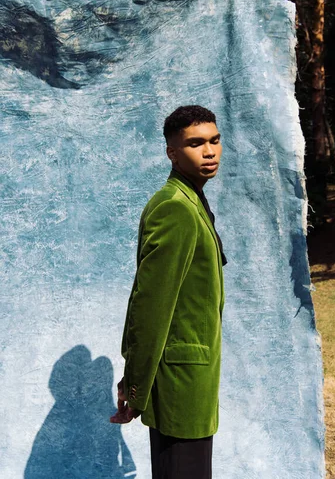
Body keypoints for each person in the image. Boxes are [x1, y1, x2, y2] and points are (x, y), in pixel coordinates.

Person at [110, 104, 227, 479]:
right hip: (180, 383)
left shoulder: (192, 201)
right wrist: (136, 384)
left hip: (192, 378)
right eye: (195, 144)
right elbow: (150, 305)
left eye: (214, 140)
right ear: (172, 153)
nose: (209, 152)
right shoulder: (174, 208)